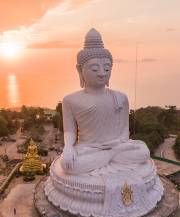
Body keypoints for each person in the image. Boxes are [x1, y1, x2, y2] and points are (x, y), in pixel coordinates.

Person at [60, 28, 150, 175]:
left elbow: (124, 132)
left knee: (143, 151)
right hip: (88, 149)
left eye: (107, 68)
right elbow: (69, 130)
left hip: (117, 147)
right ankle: (108, 158)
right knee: (69, 165)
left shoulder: (121, 97)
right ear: (79, 70)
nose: (102, 73)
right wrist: (68, 147)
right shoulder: (70, 100)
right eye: (95, 69)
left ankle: (107, 157)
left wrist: (117, 144)